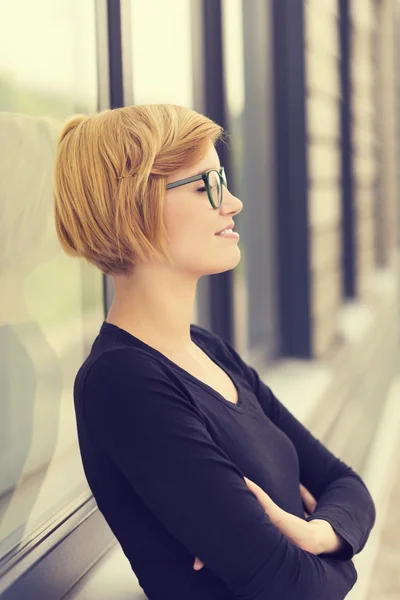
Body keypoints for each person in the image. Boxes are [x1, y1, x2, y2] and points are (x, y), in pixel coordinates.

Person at [53, 103, 376, 600]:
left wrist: (317, 534)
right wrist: (337, 549)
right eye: (208, 184)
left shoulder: (207, 348)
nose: (234, 203)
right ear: (134, 204)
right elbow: (293, 588)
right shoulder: (122, 383)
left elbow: (345, 482)